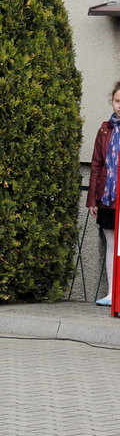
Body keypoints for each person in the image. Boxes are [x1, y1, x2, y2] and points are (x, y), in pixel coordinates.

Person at [87, 81, 120, 306]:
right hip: (109, 196)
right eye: (118, 101)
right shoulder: (104, 129)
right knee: (111, 244)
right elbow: (97, 165)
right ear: (112, 101)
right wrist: (93, 199)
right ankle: (111, 293)